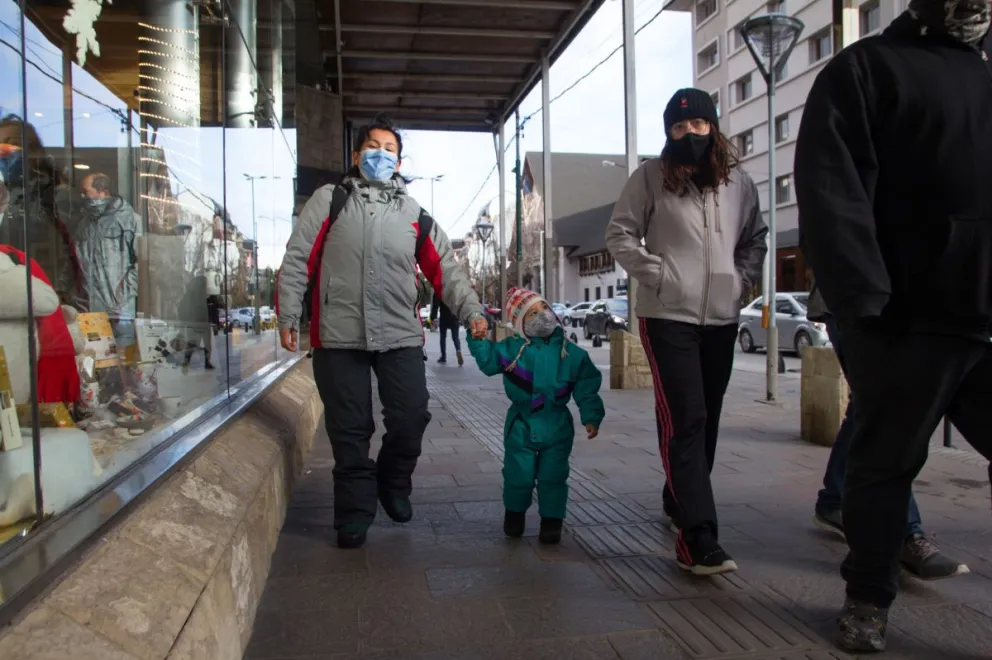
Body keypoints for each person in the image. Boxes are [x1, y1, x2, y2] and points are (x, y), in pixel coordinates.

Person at [795, 4, 992, 652]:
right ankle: (868, 596)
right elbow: (832, 188)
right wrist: (863, 300)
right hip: (907, 315)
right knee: (886, 462)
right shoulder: (866, 69)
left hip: (984, 310)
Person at [277, 115, 487, 549]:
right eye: (372, 146)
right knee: (350, 431)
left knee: (411, 417)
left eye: (389, 148)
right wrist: (286, 315)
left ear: (398, 159)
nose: (380, 153)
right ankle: (354, 514)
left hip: (400, 334)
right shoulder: (329, 200)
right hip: (338, 335)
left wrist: (472, 313)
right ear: (356, 156)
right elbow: (299, 258)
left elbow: (445, 267)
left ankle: (393, 482)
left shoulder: (413, 213)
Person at [605, 88, 767, 576]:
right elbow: (619, 233)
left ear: (712, 127)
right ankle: (698, 536)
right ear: (668, 133)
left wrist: (741, 280)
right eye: (678, 128)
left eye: (697, 125)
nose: (688, 134)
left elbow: (755, 237)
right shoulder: (650, 177)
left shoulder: (738, 182)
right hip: (666, 316)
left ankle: (679, 496)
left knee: (706, 417)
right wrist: (657, 273)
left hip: (721, 316)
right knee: (687, 416)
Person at [807, 285, 966, 581]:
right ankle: (904, 534)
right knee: (883, 409)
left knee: (866, 408)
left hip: (905, 308)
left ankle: (834, 500)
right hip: (860, 304)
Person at [467, 287, 604, 545]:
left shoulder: (570, 353)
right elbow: (487, 360)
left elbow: (587, 384)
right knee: (518, 473)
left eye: (543, 308)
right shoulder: (512, 349)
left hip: (557, 425)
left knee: (554, 474)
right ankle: (515, 514)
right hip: (521, 424)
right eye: (532, 312)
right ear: (520, 322)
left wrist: (591, 415)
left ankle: (552, 522)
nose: (541, 315)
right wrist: (477, 339)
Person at [74, 172, 141, 358]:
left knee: (122, 360)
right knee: (95, 361)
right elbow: (75, 260)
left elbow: (140, 263)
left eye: (85, 191)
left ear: (102, 191)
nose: (81, 196)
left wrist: (123, 295)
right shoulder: (84, 224)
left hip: (119, 311)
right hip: (89, 308)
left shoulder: (129, 220)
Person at [430, 290, 463, 365]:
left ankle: (443, 357)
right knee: (455, 337)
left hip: (444, 316)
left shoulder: (439, 290)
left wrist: (433, 318)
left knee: (443, 337)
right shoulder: (454, 289)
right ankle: (458, 350)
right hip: (454, 317)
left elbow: (435, 306)